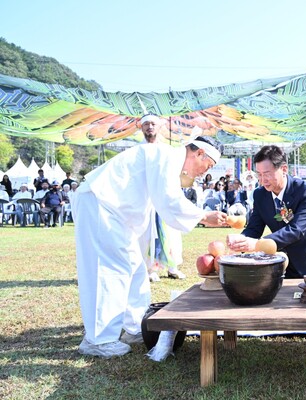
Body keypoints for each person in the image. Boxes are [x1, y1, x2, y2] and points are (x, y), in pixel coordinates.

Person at [72, 135, 227, 358]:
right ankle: (98, 339)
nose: (205, 171)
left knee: (134, 268)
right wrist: (204, 216)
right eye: (208, 165)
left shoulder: (167, 160)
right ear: (199, 153)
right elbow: (169, 201)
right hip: (101, 206)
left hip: (116, 214)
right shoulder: (165, 155)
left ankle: (136, 327)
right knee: (109, 271)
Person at [226, 145, 306, 278]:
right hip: (288, 264)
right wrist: (242, 239)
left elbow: (297, 229)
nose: (262, 180)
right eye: (259, 174)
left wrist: (259, 244)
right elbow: (254, 228)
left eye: (267, 174)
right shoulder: (260, 195)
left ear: (284, 169)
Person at [140, 113, 187, 281]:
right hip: (146, 200)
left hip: (165, 198)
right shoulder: (137, 150)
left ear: (159, 127)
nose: (150, 127)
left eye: (153, 124)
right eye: (146, 124)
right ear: (141, 127)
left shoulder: (167, 150)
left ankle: (172, 267)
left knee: (172, 234)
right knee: (148, 235)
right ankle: (150, 269)